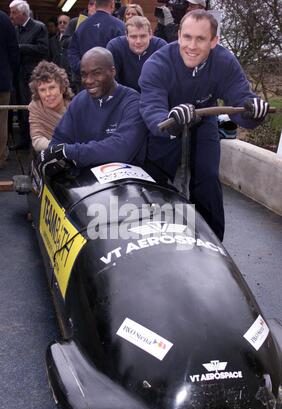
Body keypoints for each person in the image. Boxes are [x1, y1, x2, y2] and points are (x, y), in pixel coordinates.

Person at [139, 10, 269, 241]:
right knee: (156, 178)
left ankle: (213, 243)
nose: (192, 45)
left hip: (203, 119)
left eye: (200, 39)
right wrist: (170, 123)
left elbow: (240, 102)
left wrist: (253, 112)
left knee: (207, 178)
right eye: (187, 37)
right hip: (169, 122)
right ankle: (152, 240)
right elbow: (151, 110)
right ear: (178, 35)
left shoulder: (224, 62)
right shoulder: (157, 64)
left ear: (214, 41)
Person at [37, 47, 146, 169]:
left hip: (126, 180)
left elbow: (121, 150)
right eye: (84, 75)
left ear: (113, 71)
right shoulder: (79, 101)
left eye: (96, 73)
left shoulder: (132, 102)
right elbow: (58, 142)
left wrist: (69, 152)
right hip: (86, 182)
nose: (88, 81)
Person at [9, 0, 49, 150]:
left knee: (32, 109)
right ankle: (24, 140)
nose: (11, 16)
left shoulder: (39, 27)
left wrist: (20, 47)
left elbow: (43, 49)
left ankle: (35, 140)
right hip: (18, 75)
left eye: (14, 12)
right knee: (20, 108)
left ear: (23, 13)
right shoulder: (15, 29)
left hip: (32, 76)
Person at [107, 16, 166, 92]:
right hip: (123, 97)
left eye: (143, 36)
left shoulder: (160, 47)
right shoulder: (115, 47)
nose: (138, 41)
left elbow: (165, 81)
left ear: (150, 34)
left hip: (154, 95)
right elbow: (111, 82)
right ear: (127, 36)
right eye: (133, 37)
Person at [68, 0, 125, 77]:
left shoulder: (82, 25)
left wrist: (82, 69)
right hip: (111, 80)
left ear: (95, 5)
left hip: (88, 80)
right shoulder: (119, 25)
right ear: (112, 4)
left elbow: (72, 51)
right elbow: (124, 54)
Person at [28, 61, 73, 152]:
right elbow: (37, 140)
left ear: (62, 88)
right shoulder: (36, 108)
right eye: (42, 90)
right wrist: (62, 148)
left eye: (52, 87)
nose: (48, 94)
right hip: (51, 156)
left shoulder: (75, 106)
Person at [0, 10, 19, 169]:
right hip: (2, 80)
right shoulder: (4, 19)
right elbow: (14, 51)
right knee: (1, 121)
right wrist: (11, 73)